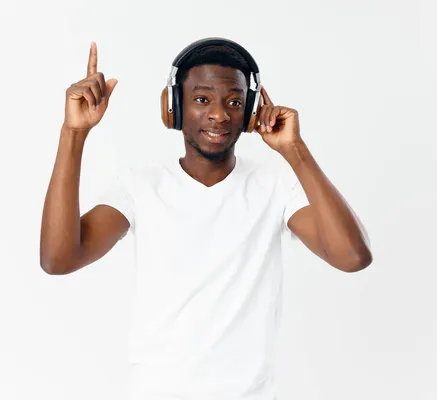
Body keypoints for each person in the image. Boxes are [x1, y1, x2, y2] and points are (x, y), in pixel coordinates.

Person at [40, 37, 372, 400]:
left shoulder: (275, 186)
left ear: (249, 114)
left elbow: (352, 257)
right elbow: (59, 258)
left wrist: (294, 150)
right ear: (174, 107)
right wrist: (73, 133)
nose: (219, 114)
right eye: (201, 99)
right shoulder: (139, 185)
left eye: (234, 102)